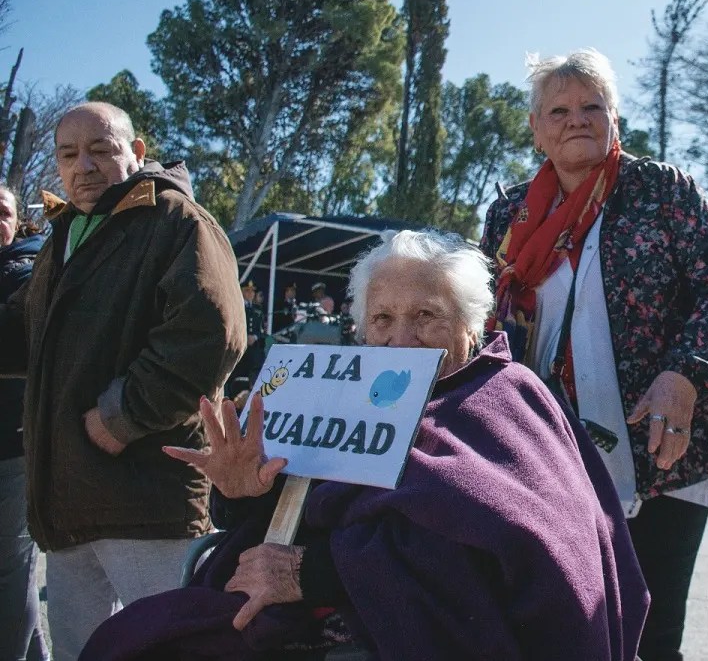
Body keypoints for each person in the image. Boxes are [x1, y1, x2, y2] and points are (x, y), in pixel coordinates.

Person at [84, 229, 649, 660]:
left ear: (472, 326)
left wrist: (314, 573)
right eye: (381, 319)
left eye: (426, 316)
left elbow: (514, 540)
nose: (400, 341)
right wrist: (240, 493)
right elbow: (294, 510)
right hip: (288, 609)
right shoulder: (335, 392)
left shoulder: (504, 396)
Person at [482, 49, 708, 661]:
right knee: (572, 629)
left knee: (651, 635)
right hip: (551, 452)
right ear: (536, 128)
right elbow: (484, 321)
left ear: (614, 119)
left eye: (592, 106)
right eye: (559, 110)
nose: (576, 119)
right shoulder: (508, 214)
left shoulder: (661, 190)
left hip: (664, 450)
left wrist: (686, 373)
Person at [0, 102, 246, 660]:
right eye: (68, 154)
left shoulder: (177, 221)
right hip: (68, 503)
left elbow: (211, 335)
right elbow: (24, 331)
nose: (82, 166)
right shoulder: (66, 232)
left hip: (146, 498)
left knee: (166, 649)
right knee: (80, 652)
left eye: (100, 149)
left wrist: (120, 417)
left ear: (136, 152)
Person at [0, 185, 48, 661]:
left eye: (3, 212)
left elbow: (18, 340)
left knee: (10, 570)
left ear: (18, 222)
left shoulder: (24, 269)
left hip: (12, 444)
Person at [228, 281, 267, 398]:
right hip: (239, 350)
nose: (250, 293)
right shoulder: (236, 308)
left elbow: (262, 331)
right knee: (236, 379)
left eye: (252, 291)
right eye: (247, 290)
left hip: (253, 351)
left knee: (253, 379)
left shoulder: (257, 309)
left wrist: (255, 337)